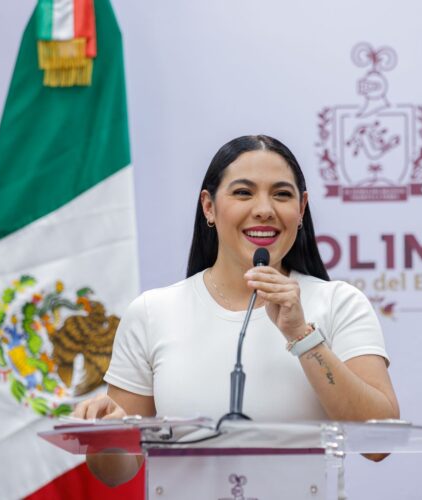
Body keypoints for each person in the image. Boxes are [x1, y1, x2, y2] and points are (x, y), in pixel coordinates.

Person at [73, 135, 399, 486]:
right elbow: (114, 474)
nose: (264, 209)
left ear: (301, 208)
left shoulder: (339, 303)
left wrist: (302, 337)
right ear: (208, 207)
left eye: (282, 194)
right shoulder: (152, 312)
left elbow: (379, 442)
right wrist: (108, 435)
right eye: (243, 192)